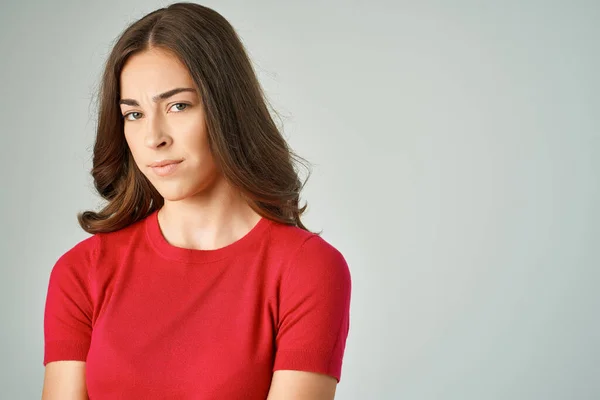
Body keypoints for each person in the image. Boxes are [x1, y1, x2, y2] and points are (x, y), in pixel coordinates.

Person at [41, 2, 352, 399]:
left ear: (228, 109)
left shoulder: (306, 269)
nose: (154, 137)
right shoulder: (82, 271)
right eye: (133, 114)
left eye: (178, 106)